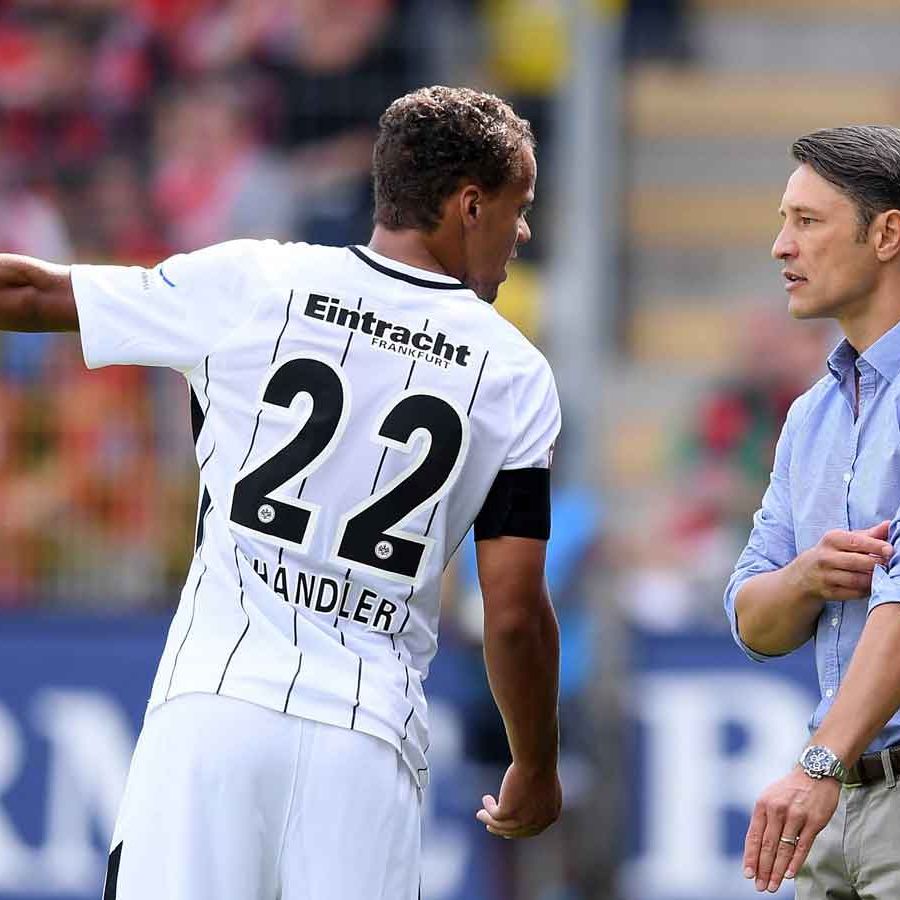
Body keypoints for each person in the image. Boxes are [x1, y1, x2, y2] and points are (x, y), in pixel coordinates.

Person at [0, 85, 562, 899]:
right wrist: (535, 765)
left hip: (213, 708)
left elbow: (29, 293)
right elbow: (512, 614)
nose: (523, 231)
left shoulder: (255, 282)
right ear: (470, 205)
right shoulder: (514, 374)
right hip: (365, 743)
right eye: (519, 207)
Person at [725, 125, 900, 898]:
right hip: (837, 806)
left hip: (833, 780)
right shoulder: (810, 416)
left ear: (887, 234)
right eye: (783, 221)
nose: (781, 246)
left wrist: (818, 764)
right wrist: (802, 579)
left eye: (807, 221)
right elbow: (752, 619)